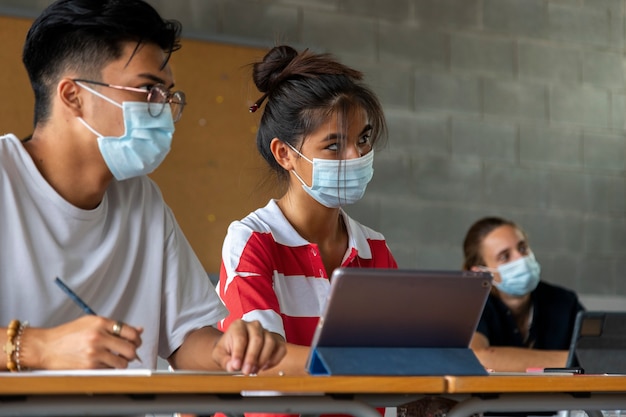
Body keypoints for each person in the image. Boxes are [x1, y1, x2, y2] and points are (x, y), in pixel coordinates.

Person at [0, 0, 285, 374]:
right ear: (73, 96)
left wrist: (231, 348)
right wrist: (37, 347)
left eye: (168, 95)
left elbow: (186, 340)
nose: (164, 109)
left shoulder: (142, 200)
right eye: (148, 90)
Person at [216, 45, 398, 380]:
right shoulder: (252, 241)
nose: (356, 156)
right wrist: (372, 364)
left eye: (363, 139)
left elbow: (396, 351)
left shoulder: (375, 248)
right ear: (285, 154)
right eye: (333, 145)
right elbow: (263, 360)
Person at [462, 216, 585, 372]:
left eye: (522, 248)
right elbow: (477, 357)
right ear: (481, 272)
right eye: (504, 256)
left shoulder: (564, 302)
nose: (520, 258)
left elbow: (601, 353)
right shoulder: (472, 304)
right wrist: (574, 359)